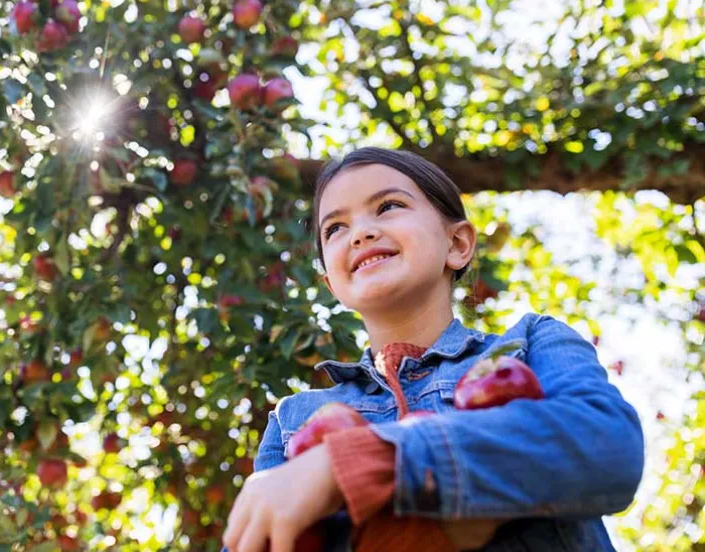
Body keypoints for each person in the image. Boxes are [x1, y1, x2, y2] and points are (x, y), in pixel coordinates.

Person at [221, 147, 645, 552]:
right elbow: (257, 538)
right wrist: (426, 536)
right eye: (335, 228)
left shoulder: (530, 344)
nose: (361, 233)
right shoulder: (294, 421)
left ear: (457, 244)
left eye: (388, 206)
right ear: (332, 285)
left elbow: (607, 446)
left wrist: (356, 463)